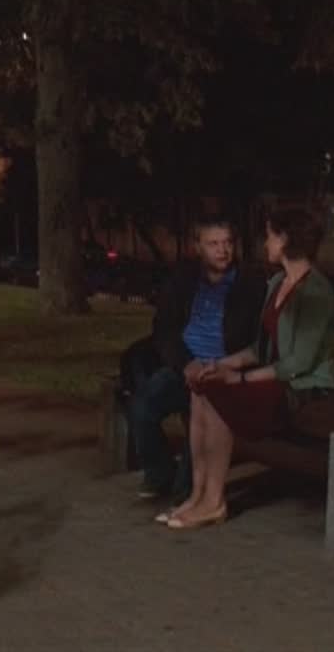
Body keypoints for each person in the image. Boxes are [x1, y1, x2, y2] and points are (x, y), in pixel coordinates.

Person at [161, 207, 334, 529]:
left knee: (222, 396)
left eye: (269, 236)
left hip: (305, 389)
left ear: (285, 239)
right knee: (202, 387)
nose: (265, 243)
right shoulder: (277, 282)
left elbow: (299, 363)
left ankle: (214, 502)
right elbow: (260, 348)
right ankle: (197, 495)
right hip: (276, 379)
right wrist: (218, 365)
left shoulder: (315, 290)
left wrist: (240, 379)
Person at [125, 215, 264, 502]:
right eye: (213, 244)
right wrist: (186, 363)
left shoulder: (250, 284)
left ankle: (190, 492)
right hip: (185, 365)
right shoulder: (184, 279)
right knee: (142, 408)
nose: (222, 250)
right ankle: (159, 472)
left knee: (199, 429)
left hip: (222, 371)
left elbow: (258, 340)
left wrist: (224, 367)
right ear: (197, 246)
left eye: (227, 243)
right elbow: (164, 329)